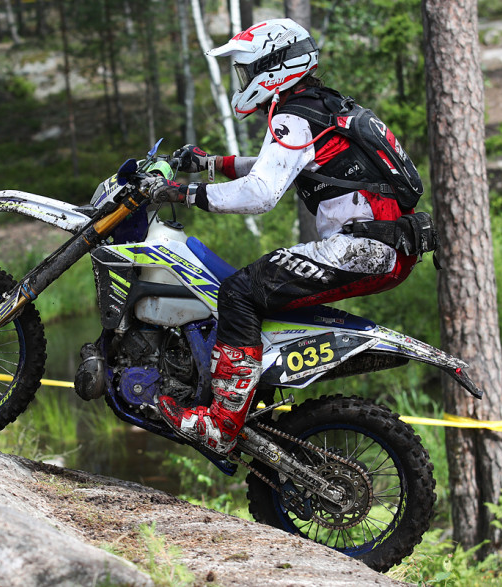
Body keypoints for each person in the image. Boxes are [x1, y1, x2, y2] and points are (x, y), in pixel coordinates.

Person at [142, 18, 425, 456]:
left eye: (247, 70)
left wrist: (184, 193)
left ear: (273, 66)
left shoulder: (294, 115)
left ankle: (222, 422)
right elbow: (278, 166)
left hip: (364, 248)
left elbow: (261, 192)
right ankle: (243, 394)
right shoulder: (321, 105)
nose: (244, 81)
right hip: (383, 244)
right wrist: (210, 164)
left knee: (238, 291)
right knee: (255, 291)